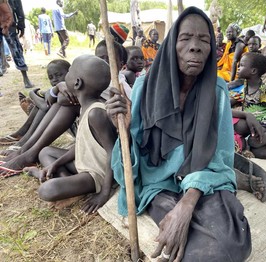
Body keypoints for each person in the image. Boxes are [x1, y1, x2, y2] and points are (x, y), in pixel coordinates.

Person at [106, 7, 252, 261]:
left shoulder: (217, 90)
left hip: (202, 179)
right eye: (185, 38)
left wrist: (187, 204)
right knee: (199, 252)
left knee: (234, 243)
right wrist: (125, 130)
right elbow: (129, 170)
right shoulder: (144, 85)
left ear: (211, 49)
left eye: (204, 40)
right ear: (172, 44)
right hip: (160, 184)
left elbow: (220, 157)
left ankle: (237, 179)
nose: (194, 47)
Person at [0, 36, 128, 176]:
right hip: (86, 126)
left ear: (121, 64)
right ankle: (25, 149)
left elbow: (61, 99)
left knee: (66, 103)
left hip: (100, 133)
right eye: (99, 58)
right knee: (58, 102)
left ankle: (28, 151)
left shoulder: (114, 83)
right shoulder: (103, 79)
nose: (102, 63)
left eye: (107, 58)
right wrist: (58, 87)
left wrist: (58, 88)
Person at [24, 55, 117, 214]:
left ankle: (66, 184)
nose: (66, 74)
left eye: (71, 70)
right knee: (45, 152)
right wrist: (57, 163)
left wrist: (104, 193)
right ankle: (66, 180)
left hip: (95, 174)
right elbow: (83, 143)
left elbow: (113, 152)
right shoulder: (84, 107)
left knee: (46, 191)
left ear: (77, 83)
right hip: (83, 163)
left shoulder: (96, 113)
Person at [0, 59, 70, 149]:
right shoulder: (60, 88)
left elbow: (45, 107)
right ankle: (22, 134)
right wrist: (38, 95)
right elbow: (45, 94)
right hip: (60, 117)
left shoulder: (70, 89)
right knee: (42, 102)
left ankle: (25, 138)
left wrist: (32, 94)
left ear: (71, 72)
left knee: (43, 105)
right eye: (51, 78)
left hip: (71, 123)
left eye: (59, 75)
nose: (55, 80)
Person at [0, 0, 34, 88]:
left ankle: (26, 79)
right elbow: (18, 7)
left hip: (9, 22)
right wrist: (21, 23)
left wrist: (21, 23)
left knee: (16, 50)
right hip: (9, 22)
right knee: (16, 50)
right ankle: (26, 79)